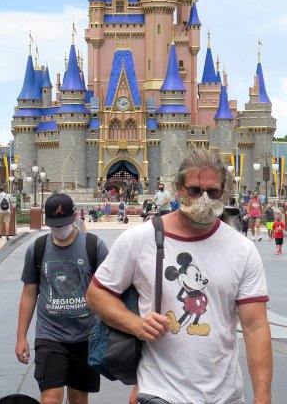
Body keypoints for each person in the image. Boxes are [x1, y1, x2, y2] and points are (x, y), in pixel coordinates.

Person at [87, 149, 272, 404]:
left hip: (224, 395)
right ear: (177, 188)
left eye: (213, 192)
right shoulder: (139, 239)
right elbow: (97, 294)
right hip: (160, 392)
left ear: (224, 192)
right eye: (195, 190)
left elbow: (255, 326)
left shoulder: (242, 249)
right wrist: (136, 325)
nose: (204, 199)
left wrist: (263, 397)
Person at [15, 194, 108, 404]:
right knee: (50, 398)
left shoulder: (94, 246)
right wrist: (21, 337)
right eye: (54, 225)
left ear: (75, 216)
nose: (59, 229)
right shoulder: (37, 248)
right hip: (50, 334)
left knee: (78, 398)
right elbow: (29, 293)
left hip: (86, 335)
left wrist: (109, 332)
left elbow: (109, 292)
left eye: (64, 224)